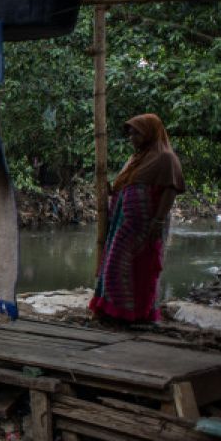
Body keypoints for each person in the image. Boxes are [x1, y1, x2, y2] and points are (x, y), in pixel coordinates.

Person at [90, 113, 185, 323]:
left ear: (150, 133)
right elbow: (125, 188)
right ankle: (114, 311)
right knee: (113, 265)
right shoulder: (135, 159)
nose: (131, 137)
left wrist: (158, 220)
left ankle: (134, 314)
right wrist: (111, 190)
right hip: (122, 224)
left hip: (144, 226)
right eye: (130, 133)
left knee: (135, 268)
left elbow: (171, 189)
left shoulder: (165, 158)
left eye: (136, 133)